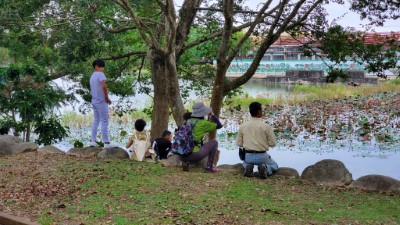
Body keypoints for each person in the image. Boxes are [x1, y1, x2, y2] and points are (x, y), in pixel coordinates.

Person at [236, 101, 278, 179]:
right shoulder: (266, 126)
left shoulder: (243, 126)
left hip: (248, 156)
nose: (262, 112)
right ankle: (266, 169)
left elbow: (238, 143)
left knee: (245, 163)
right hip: (262, 156)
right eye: (261, 110)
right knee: (274, 165)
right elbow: (273, 143)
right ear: (259, 111)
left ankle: (248, 167)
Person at [181, 102, 222, 173]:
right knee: (214, 142)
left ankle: (186, 162)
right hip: (194, 155)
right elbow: (219, 125)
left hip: (182, 154)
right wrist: (212, 115)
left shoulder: (188, 121)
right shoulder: (203, 123)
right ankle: (209, 167)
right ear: (203, 112)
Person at [89, 59, 118, 148]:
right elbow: (103, 86)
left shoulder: (92, 76)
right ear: (96, 66)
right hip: (101, 101)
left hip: (94, 101)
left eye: (103, 67)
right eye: (101, 66)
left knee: (96, 120)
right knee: (104, 121)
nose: (102, 68)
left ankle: (93, 141)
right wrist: (106, 97)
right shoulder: (100, 74)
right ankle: (106, 143)